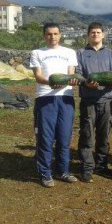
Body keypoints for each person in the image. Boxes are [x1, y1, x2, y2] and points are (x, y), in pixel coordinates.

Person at [30, 22, 79, 187]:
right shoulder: (37, 53)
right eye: (49, 34)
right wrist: (51, 82)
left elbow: (70, 75)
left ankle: (63, 171)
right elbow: (38, 76)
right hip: (45, 98)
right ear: (44, 36)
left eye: (55, 34)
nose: (52, 37)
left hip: (65, 98)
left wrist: (70, 81)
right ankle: (45, 173)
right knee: (45, 138)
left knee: (64, 137)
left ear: (60, 35)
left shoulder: (69, 52)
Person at [76, 22, 112, 183]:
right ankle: (87, 168)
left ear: (103, 35)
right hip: (88, 100)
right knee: (87, 135)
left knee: (104, 136)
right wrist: (86, 83)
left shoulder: (111, 54)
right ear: (88, 35)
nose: (95, 34)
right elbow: (78, 74)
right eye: (92, 32)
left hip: (107, 100)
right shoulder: (81, 53)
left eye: (98, 32)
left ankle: (102, 167)